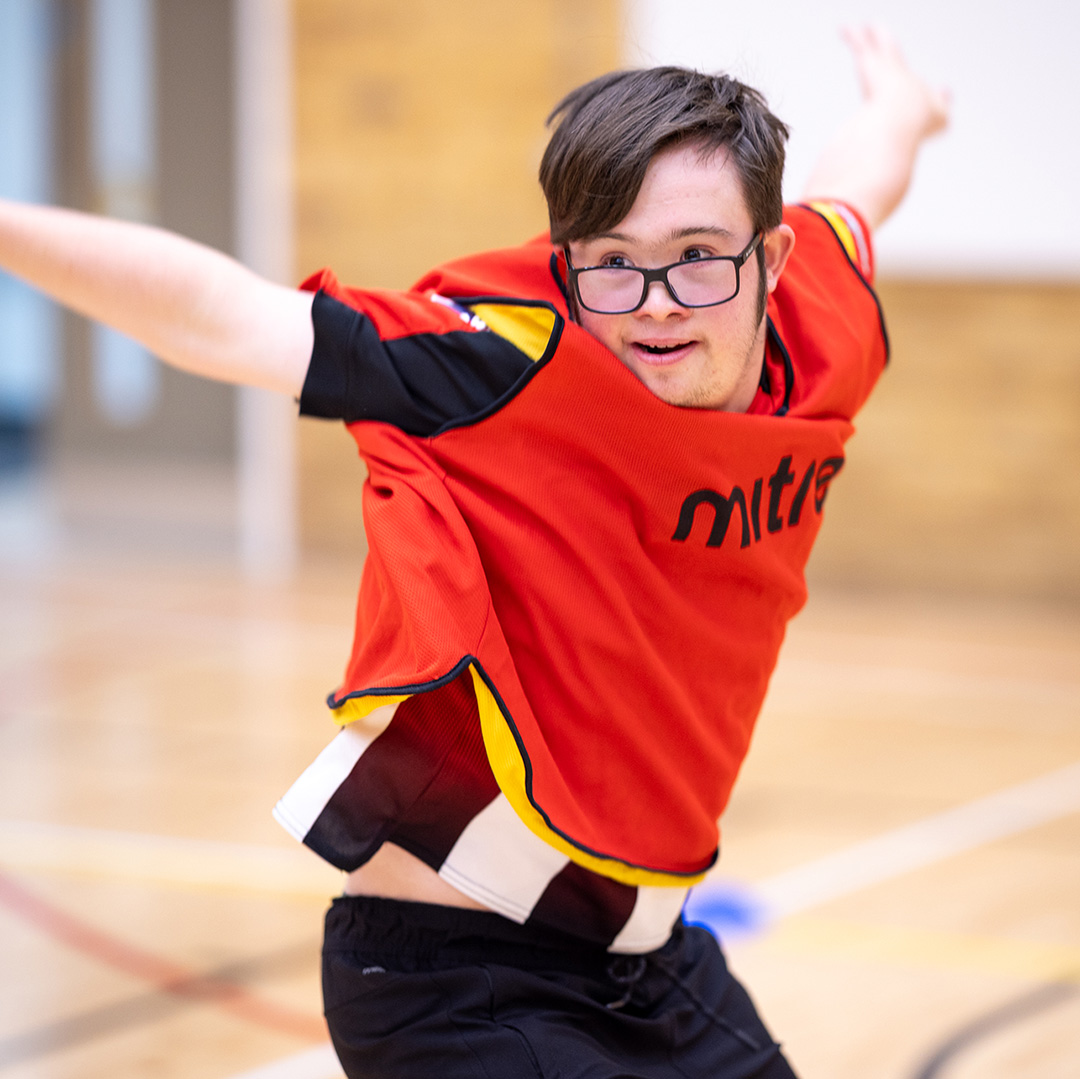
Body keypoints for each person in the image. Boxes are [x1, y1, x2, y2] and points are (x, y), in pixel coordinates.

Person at [0, 24, 947, 1079]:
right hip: (460, 986)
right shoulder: (506, 364)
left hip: (652, 965)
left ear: (772, 257)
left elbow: (858, 184)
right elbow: (224, 318)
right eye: (614, 269)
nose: (660, 305)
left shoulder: (826, 316)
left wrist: (902, 106)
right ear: (569, 268)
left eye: (696, 259)